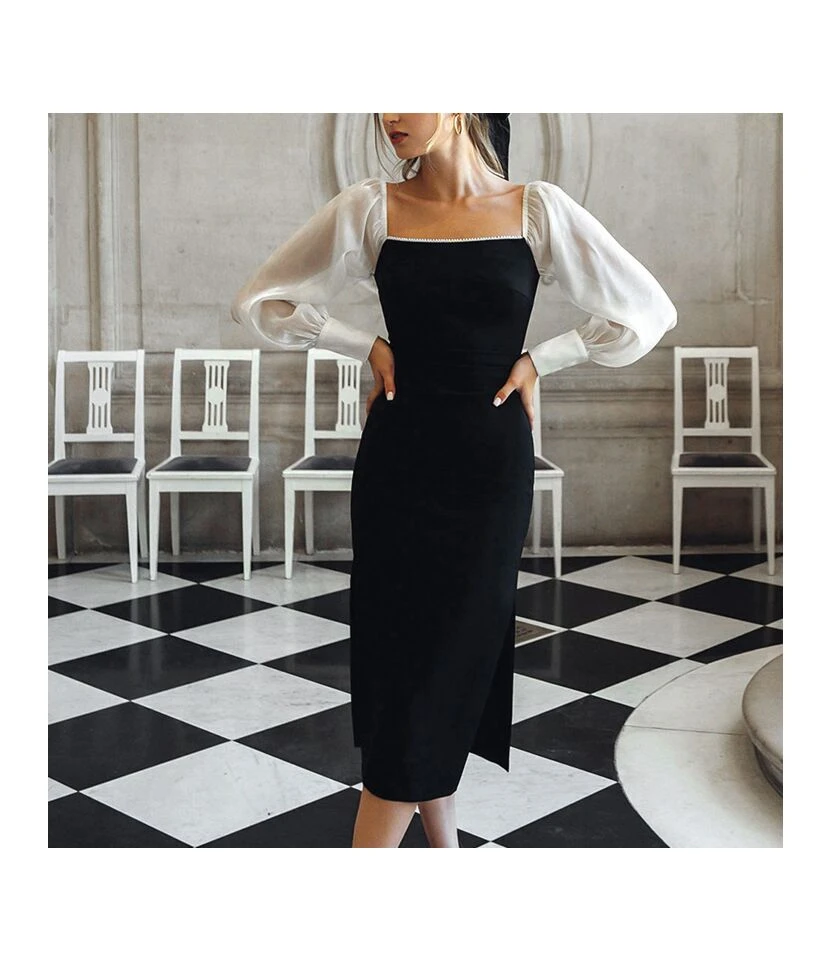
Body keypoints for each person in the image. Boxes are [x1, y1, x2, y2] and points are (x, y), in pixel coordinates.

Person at [231, 113, 677, 848]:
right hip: (398, 462)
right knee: (403, 658)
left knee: (449, 658)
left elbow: (645, 311)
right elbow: (262, 300)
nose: (390, 114)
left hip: (488, 468)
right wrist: (361, 344)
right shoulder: (371, 209)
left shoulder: (537, 210)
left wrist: (544, 359)